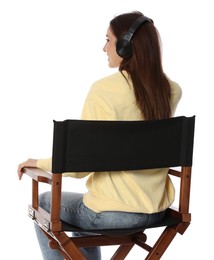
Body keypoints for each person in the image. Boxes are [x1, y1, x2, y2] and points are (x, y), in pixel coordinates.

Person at [17, 11, 182, 260]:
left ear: (125, 46)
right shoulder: (171, 91)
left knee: (45, 202)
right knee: (88, 202)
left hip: (112, 214)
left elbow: (80, 165)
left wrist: (38, 163)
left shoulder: (104, 91)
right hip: (157, 211)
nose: (104, 48)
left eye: (108, 39)